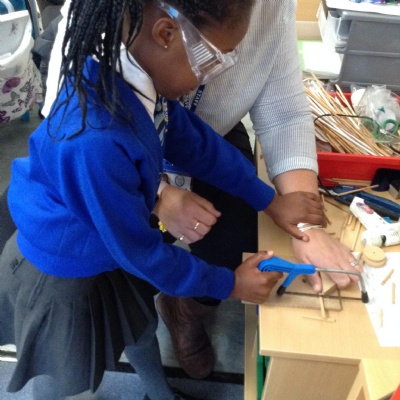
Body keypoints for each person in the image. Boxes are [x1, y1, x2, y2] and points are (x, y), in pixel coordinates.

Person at [0, 1, 329, 399]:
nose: (210, 78)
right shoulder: (92, 142)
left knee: (137, 329)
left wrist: (268, 199)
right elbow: (141, 253)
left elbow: (194, 141)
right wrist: (230, 284)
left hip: (108, 249)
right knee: (63, 372)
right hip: (64, 274)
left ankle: (159, 393)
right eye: (213, 61)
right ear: (166, 34)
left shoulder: (137, 75)